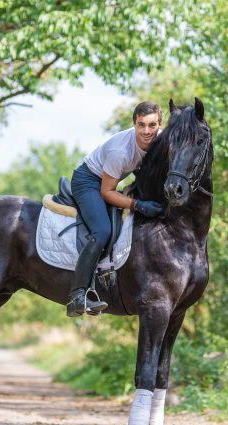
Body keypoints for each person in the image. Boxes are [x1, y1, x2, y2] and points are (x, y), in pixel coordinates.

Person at [66, 101, 165, 317]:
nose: (147, 131)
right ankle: (78, 294)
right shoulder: (120, 151)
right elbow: (107, 192)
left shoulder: (162, 137)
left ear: (160, 123)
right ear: (134, 124)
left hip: (112, 179)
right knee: (102, 230)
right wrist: (137, 204)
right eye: (141, 125)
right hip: (90, 181)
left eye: (152, 125)